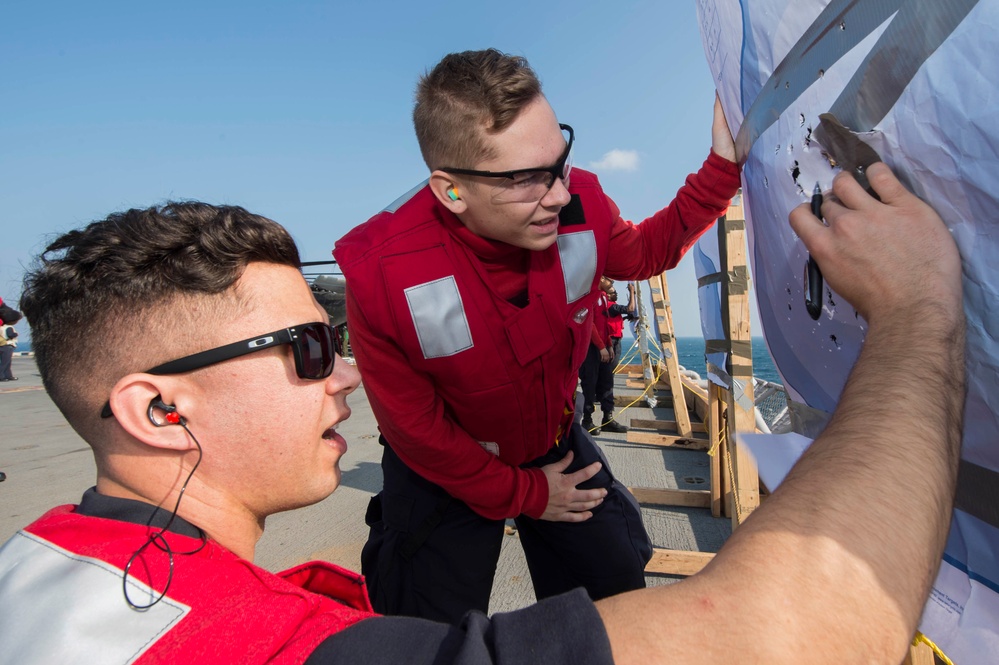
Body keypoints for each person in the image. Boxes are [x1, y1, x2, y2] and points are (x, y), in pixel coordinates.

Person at [0, 162, 965, 664]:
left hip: (545, 451)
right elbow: (792, 639)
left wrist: (716, 172)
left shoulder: (39, 563)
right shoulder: (251, 643)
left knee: (607, 565)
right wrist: (918, 310)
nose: (343, 378)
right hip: (460, 476)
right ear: (158, 408)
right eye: (305, 350)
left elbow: (648, 247)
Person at [333, 48, 741, 622]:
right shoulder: (383, 274)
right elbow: (419, 433)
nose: (556, 195)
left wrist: (723, 164)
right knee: (428, 628)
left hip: (549, 438)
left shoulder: (582, 202)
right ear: (452, 191)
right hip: (445, 468)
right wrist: (528, 496)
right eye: (525, 180)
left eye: (559, 163)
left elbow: (648, 249)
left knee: (612, 580)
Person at [579, 277, 628, 434]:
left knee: (607, 381)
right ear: (600, 278)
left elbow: (604, 323)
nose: (613, 282)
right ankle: (587, 420)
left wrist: (608, 344)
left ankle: (608, 418)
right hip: (590, 347)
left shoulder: (603, 297)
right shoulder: (589, 295)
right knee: (590, 382)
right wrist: (601, 346)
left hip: (603, 346)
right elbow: (589, 323)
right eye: (609, 279)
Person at [0, 302, 22, 382]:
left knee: (7, 362)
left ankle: (8, 375)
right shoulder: (9, 327)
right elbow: (10, 335)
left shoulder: (2, 327)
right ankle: (2, 376)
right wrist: (16, 334)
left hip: (3, 345)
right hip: (7, 346)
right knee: (5, 362)